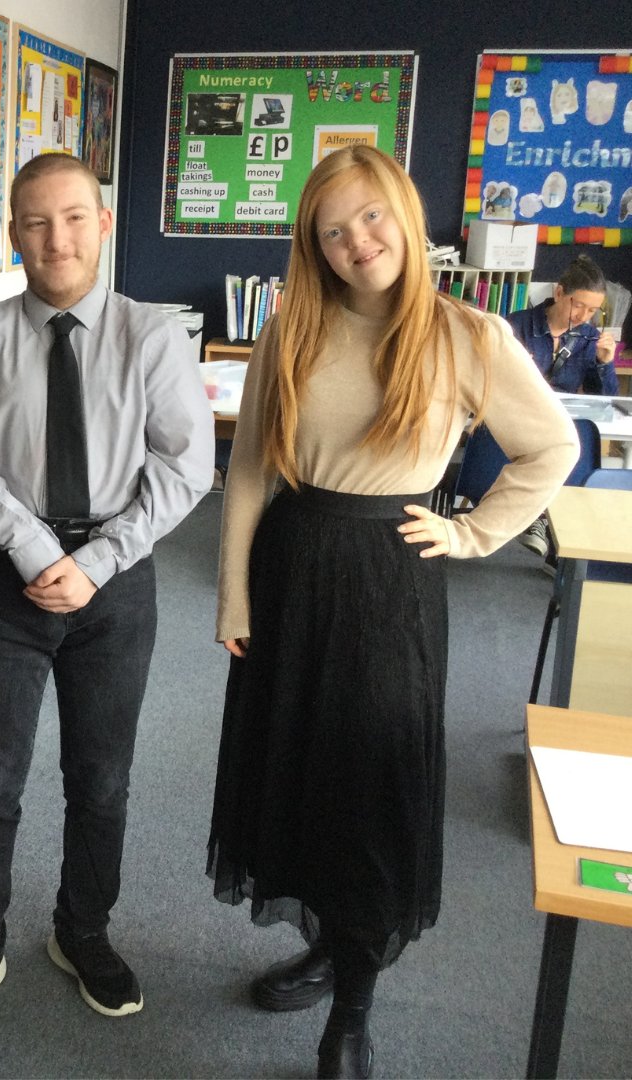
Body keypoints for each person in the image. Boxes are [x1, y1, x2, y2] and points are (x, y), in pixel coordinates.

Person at [208, 146, 577, 1080]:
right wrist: (233, 592)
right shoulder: (294, 327)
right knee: (299, 777)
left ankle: (354, 1016)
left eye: (369, 217)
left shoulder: (468, 337)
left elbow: (551, 450)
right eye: (332, 230)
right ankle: (333, 944)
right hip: (292, 572)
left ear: (405, 216)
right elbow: (249, 467)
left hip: (390, 584)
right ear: (314, 245)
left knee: (370, 793)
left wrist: (473, 535)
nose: (355, 242)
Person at [0, 153, 213, 1038]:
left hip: (117, 588)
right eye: (37, 222)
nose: (58, 239)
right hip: (9, 588)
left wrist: (99, 559)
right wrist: (35, 544)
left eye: (75, 217)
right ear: (14, 234)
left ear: (104, 223)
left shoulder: (151, 336)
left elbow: (186, 466)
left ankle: (82, 930)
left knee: (102, 781)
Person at [505, 255, 617, 556]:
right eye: (578, 304)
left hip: (561, 426)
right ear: (559, 293)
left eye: (593, 310)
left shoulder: (590, 338)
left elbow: (603, 402)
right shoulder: (516, 325)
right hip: (520, 424)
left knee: (576, 442)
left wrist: (605, 364)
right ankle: (542, 518)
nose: (584, 315)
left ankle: (542, 520)